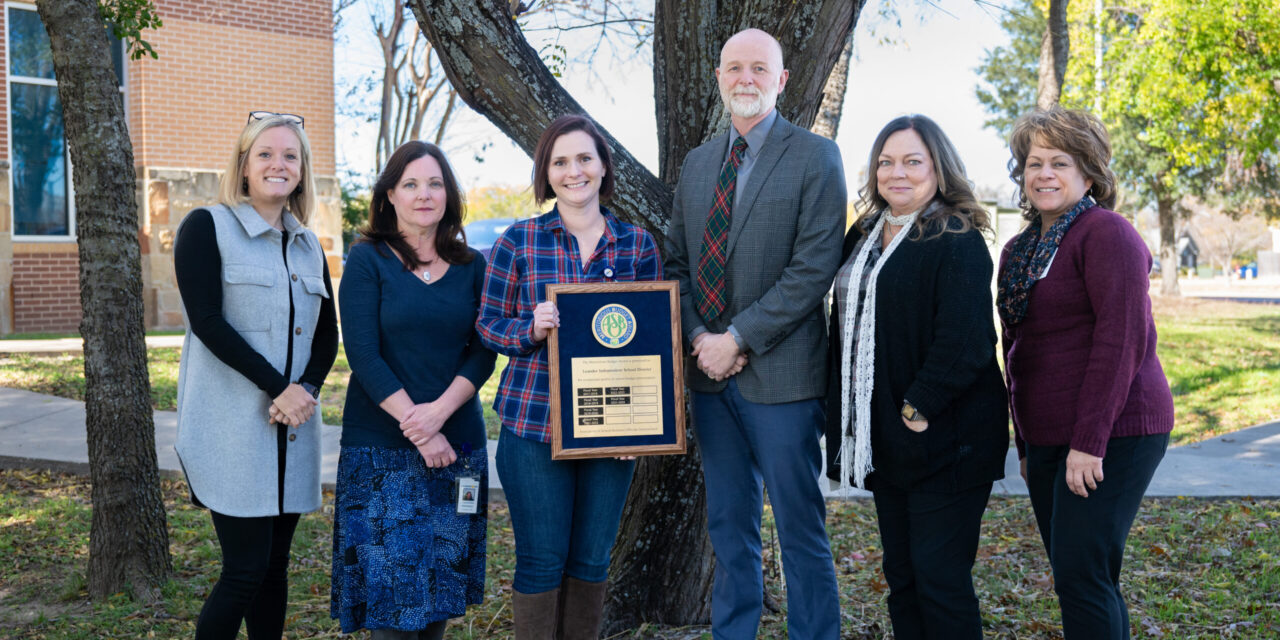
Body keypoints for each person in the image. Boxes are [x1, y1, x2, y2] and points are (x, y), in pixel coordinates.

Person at [663, 28, 845, 640]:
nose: (746, 79)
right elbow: (678, 267)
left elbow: (813, 269)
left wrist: (736, 338)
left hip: (783, 380)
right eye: (734, 67)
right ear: (719, 76)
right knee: (728, 528)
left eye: (759, 68)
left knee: (799, 528)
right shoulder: (696, 165)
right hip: (710, 382)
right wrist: (699, 340)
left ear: (782, 79)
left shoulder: (816, 157)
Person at [476, 114, 663, 639]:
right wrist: (529, 328)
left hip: (612, 428)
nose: (573, 171)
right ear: (546, 172)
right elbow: (488, 325)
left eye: (584, 158)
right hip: (535, 426)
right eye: (560, 161)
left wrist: (642, 427)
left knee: (591, 562)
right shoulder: (519, 242)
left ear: (604, 167)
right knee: (541, 561)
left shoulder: (637, 246)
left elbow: (652, 343)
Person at [823, 115, 1009, 640]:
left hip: (947, 440)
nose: (896, 172)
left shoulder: (955, 234)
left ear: (938, 168)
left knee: (940, 579)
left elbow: (968, 338)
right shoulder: (863, 232)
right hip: (888, 443)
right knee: (902, 577)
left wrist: (917, 407)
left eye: (912, 161)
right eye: (886, 161)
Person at [997, 106, 1174, 640]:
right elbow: (1016, 348)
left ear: (1089, 173)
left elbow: (1121, 341)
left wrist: (1089, 442)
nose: (1044, 174)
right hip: (1050, 435)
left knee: (1080, 573)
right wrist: (1026, 448)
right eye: (1033, 163)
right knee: (1083, 575)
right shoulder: (1019, 250)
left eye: (1060, 163)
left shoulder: (1108, 234)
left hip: (1115, 431)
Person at [174, 112, 339, 640]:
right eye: (265, 154)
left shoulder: (309, 244)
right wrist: (280, 388)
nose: (278, 164)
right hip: (232, 433)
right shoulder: (207, 226)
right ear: (244, 165)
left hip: (292, 429)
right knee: (244, 571)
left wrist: (304, 392)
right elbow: (207, 323)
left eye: (290, 156)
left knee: (274, 569)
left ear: (302, 170)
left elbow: (326, 337)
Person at [330, 141, 497, 639]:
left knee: (439, 597)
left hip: (458, 448)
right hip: (381, 453)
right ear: (389, 195)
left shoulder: (473, 265)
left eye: (435, 183)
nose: (424, 194)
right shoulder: (367, 261)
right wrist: (421, 431)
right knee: (392, 609)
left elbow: (484, 348)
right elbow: (363, 354)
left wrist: (440, 416)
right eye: (411, 184)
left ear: (449, 194)